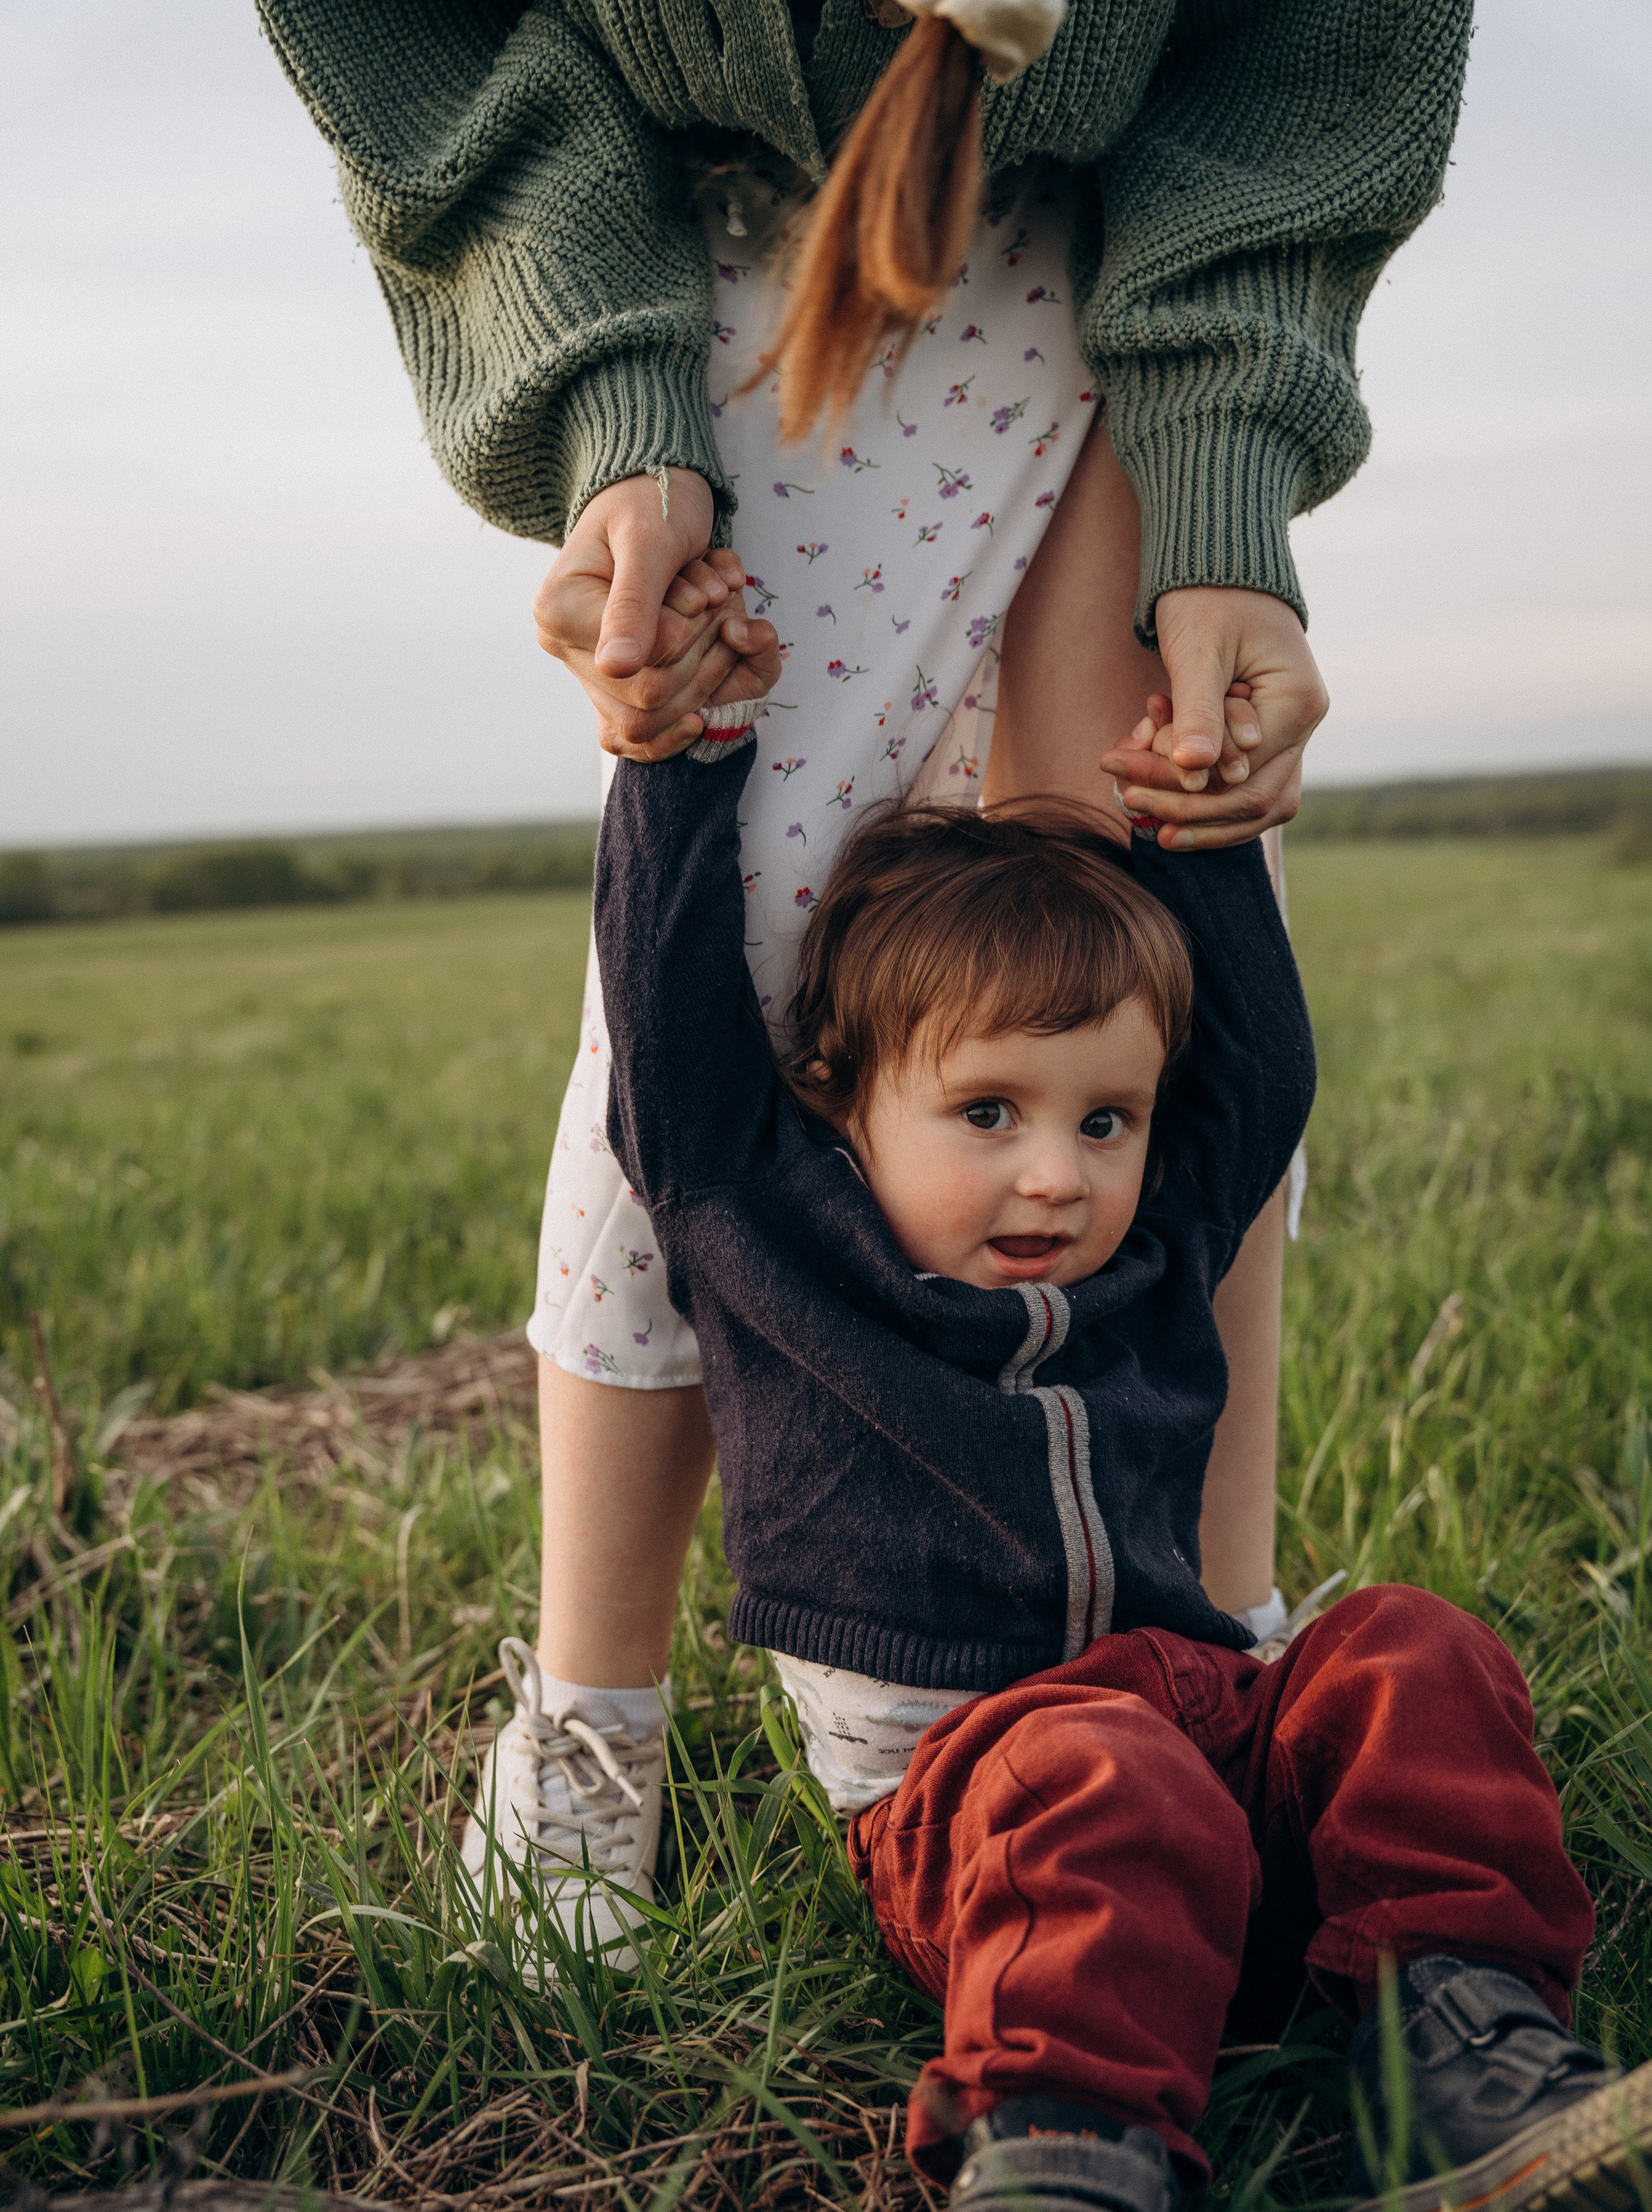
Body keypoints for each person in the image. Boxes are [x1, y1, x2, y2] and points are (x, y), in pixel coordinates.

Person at [261, 0, 1474, 1936]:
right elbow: (438, 51)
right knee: (725, 996)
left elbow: (1322, 52)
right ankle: (593, 1726)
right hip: (742, 279)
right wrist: (615, 421)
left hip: (1133, 276)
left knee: (1128, 973)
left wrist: (1221, 484)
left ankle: (1225, 1633)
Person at [477, 700, 1642, 2212]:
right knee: (1096, 1777)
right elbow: (671, 1045)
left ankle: (1466, 2070)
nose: (1057, 1172)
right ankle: (1065, 2197)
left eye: (1108, 1122)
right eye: (991, 1110)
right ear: (843, 1101)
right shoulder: (780, 1238)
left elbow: (1256, 1080)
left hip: (1202, 1728)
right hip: (981, 1791)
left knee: (1405, 1644)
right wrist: (676, 768)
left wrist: (1208, 841)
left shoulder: (1153, 1245)